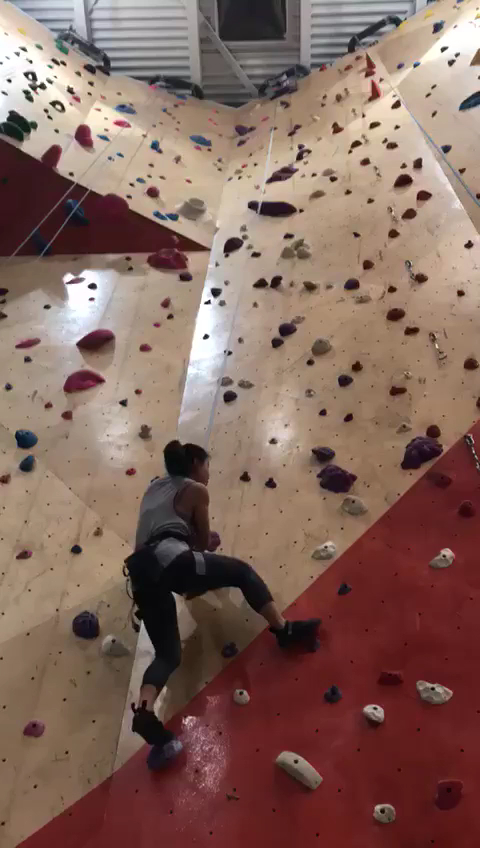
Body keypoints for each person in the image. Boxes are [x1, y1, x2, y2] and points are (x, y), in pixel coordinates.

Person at [125, 439, 320, 753]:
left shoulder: (153, 489)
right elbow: (201, 543)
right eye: (206, 466)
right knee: (241, 572)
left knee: (168, 655)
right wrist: (205, 544)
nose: (208, 474)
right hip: (175, 559)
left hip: (142, 574)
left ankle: (145, 709)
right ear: (193, 466)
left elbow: (154, 533)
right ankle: (284, 630)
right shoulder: (196, 490)